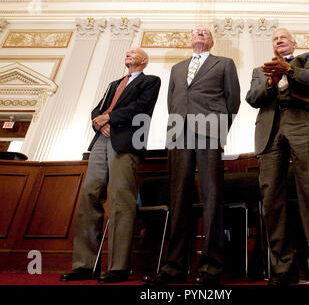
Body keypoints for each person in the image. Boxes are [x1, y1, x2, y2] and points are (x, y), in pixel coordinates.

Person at [142, 25, 240, 286]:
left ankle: (211, 269)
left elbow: (233, 101)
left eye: (205, 32)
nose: (200, 34)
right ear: (189, 40)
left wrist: (218, 128)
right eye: (196, 32)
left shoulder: (225, 63)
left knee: (212, 199)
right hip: (179, 135)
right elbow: (172, 102)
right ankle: (174, 267)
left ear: (212, 41)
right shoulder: (176, 69)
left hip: (209, 133)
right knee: (178, 199)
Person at [246, 28, 309, 286]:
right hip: (270, 129)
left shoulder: (308, 58)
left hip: (304, 124)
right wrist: (269, 82)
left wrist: (288, 71)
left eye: (283, 37)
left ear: (293, 43)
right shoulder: (260, 70)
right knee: (271, 198)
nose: (278, 40)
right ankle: (282, 268)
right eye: (275, 38)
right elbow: (252, 99)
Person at [60, 47, 161, 284]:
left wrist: (110, 118)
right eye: (127, 51)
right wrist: (99, 121)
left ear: (144, 61)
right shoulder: (114, 83)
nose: (128, 53)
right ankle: (84, 265)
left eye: (134, 52)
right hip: (100, 140)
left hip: (125, 142)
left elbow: (141, 107)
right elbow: (98, 109)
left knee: (120, 199)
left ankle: (118, 267)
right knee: (89, 196)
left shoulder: (150, 81)